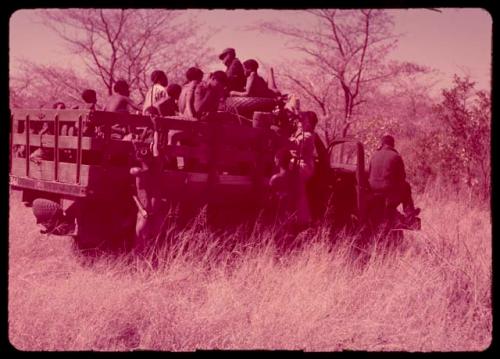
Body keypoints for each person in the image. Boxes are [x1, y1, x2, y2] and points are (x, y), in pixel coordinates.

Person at [368, 135, 420, 218]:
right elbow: (402, 177)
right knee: (406, 186)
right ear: (392, 144)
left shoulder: (374, 156)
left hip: (373, 193)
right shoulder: (396, 156)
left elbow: (369, 173)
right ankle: (409, 213)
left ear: (382, 144)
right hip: (388, 194)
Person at [288, 111, 319, 227]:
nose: (300, 123)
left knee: (300, 191)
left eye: (303, 121)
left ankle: (304, 220)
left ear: (310, 124)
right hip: (298, 164)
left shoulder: (308, 135)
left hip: (304, 166)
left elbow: (295, 143)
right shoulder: (299, 132)